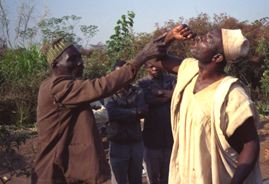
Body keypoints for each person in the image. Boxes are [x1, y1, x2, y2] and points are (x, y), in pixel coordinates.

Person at [31, 36, 167, 184]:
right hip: (54, 171)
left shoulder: (59, 86)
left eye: (80, 58)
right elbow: (102, 86)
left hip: (68, 168)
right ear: (55, 64)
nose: (80, 63)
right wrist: (141, 58)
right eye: (72, 59)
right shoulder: (57, 87)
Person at [152, 25, 262, 184]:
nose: (200, 38)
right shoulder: (189, 69)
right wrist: (170, 37)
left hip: (215, 177)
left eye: (209, 39)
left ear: (217, 58)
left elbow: (250, 145)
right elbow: (153, 59)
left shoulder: (232, 95)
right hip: (186, 174)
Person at [105, 60, 148, 184]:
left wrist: (121, 112)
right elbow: (111, 113)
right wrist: (134, 112)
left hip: (135, 141)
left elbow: (144, 111)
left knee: (136, 179)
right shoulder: (108, 91)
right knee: (119, 180)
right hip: (117, 142)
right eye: (119, 73)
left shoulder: (138, 91)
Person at [137, 61, 175, 184]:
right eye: (150, 65)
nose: (154, 68)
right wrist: (168, 97)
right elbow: (146, 102)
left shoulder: (172, 79)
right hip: (152, 137)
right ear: (146, 67)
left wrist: (159, 92)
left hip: (170, 135)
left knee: (168, 175)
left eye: (156, 65)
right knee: (153, 176)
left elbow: (178, 96)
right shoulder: (142, 84)